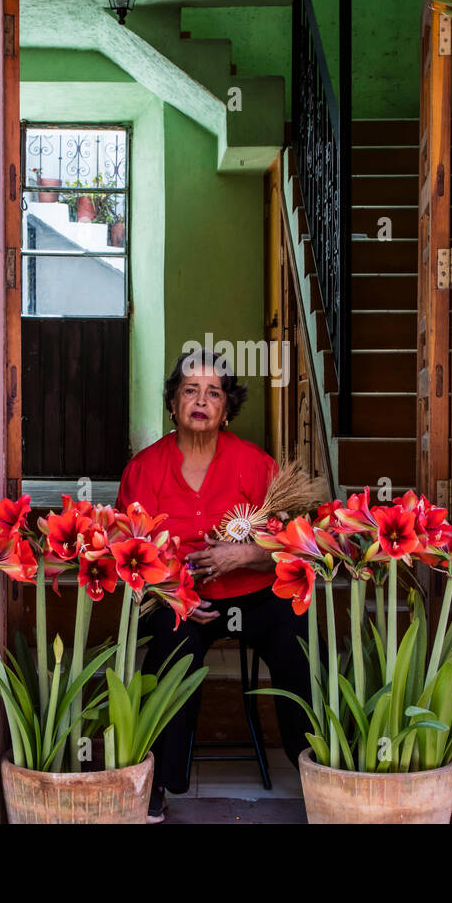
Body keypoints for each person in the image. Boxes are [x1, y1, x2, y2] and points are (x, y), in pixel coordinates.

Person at [114, 348, 314, 823]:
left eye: (213, 392)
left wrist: (245, 554)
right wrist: (174, 591)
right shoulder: (143, 470)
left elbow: (297, 543)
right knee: (172, 648)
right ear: (173, 401)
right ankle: (161, 781)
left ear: (227, 407)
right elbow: (128, 554)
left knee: (295, 642)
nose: (201, 400)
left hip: (254, 594)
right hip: (178, 599)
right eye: (189, 390)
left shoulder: (255, 464)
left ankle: (317, 765)